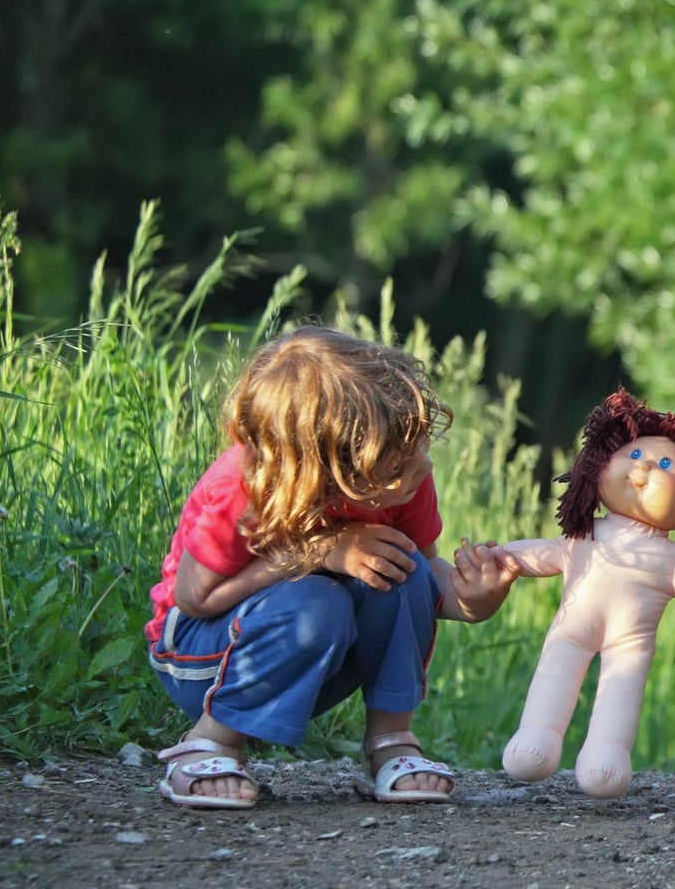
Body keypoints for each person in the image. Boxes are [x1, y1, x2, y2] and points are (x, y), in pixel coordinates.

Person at [143, 325, 520, 809]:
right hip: (203, 656)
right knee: (316, 602)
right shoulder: (243, 490)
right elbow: (196, 598)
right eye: (396, 468)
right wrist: (318, 552)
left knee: (400, 572)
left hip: (319, 651)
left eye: (419, 450)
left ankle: (390, 742)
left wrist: (474, 598)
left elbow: (427, 580)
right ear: (328, 470)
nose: (422, 471)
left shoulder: (406, 479)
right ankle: (210, 742)